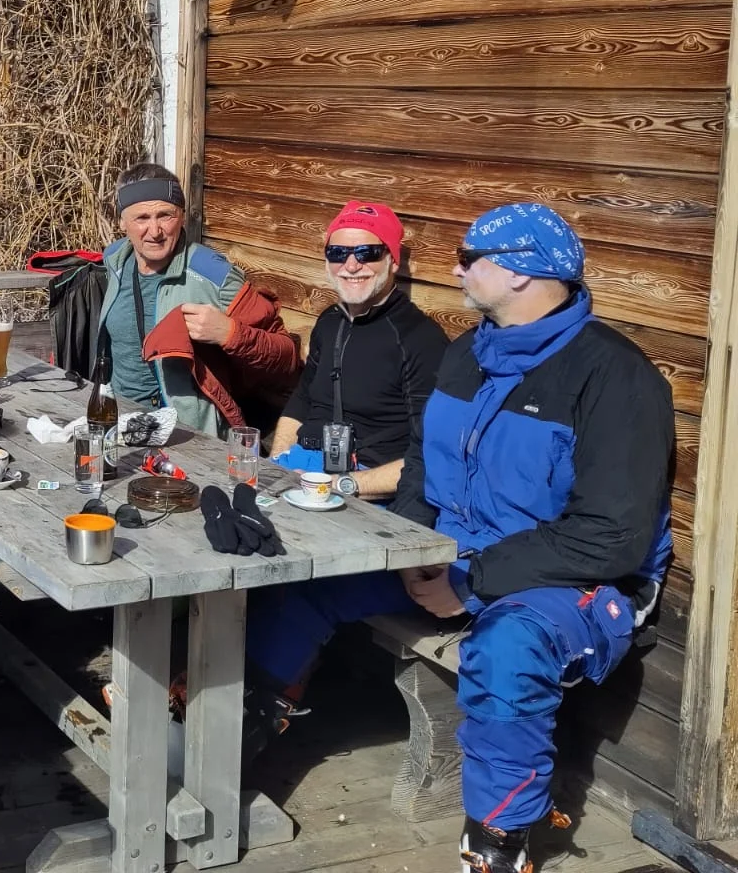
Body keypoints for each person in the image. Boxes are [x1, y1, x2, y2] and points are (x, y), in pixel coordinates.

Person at [242, 203, 673, 873]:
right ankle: (230, 737)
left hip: (570, 579)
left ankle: (499, 844)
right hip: (454, 551)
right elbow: (422, 465)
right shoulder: (469, 353)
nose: (455, 268)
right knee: (306, 581)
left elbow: (611, 537)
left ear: (526, 273)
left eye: (472, 259)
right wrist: (415, 550)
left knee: (507, 651)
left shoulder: (615, 377)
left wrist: (475, 577)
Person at [94, 163, 300, 436]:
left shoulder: (212, 274)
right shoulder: (115, 260)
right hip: (118, 420)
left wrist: (230, 334)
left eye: (165, 215)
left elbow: (287, 358)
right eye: (141, 218)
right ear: (122, 222)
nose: (154, 231)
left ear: (182, 217)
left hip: (186, 435)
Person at [267, 201, 447, 498]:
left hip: (360, 485)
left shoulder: (420, 339)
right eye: (338, 254)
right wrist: (278, 462)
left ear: (393, 260)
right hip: (295, 468)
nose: (351, 266)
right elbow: (301, 401)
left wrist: (341, 485)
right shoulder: (329, 320)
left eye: (367, 253)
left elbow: (430, 455)